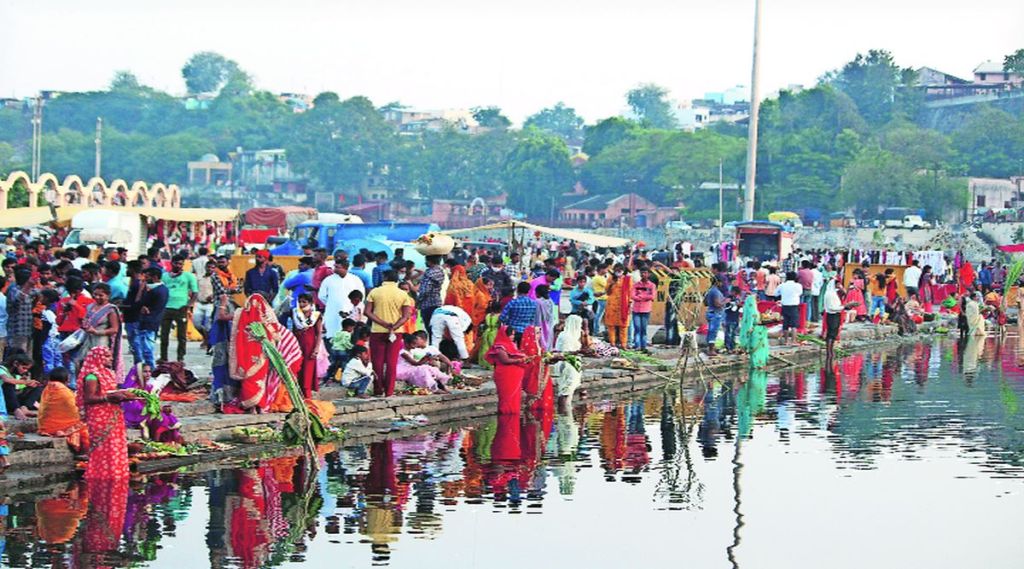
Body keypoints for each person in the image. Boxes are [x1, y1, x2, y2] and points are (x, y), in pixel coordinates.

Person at [77, 346, 137, 479]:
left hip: (113, 413)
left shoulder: (109, 373)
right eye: (107, 356)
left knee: (114, 445)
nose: (111, 359)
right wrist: (108, 398)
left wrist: (124, 396)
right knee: (104, 446)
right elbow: (89, 398)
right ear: (98, 358)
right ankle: (101, 475)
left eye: (110, 356)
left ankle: (114, 473)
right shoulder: (92, 376)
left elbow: (112, 392)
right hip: (99, 415)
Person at [365, 270, 415, 397]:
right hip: (396, 332)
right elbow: (406, 316)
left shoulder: (375, 292)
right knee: (392, 362)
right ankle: (389, 391)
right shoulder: (403, 295)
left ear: (384, 277)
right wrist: (394, 327)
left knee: (377, 362)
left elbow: (367, 312)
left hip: (377, 330)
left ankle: (378, 389)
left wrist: (383, 323)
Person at [121, 363, 182, 443]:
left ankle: (170, 441)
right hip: (134, 415)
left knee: (169, 416)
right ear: (138, 373)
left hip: (146, 412)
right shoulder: (131, 388)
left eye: (149, 372)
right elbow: (132, 406)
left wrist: (160, 408)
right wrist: (151, 410)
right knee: (162, 419)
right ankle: (157, 441)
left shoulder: (148, 387)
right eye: (145, 372)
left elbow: (153, 403)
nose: (148, 374)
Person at [37, 367, 89, 453]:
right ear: (65, 378)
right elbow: (74, 409)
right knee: (85, 426)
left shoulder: (48, 387)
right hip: (58, 427)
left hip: (44, 426)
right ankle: (86, 452)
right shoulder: (63, 390)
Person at [160, 255, 198, 362]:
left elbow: (195, 293)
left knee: (181, 336)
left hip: (181, 308)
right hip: (166, 307)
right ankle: (163, 357)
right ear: (171, 263)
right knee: (164, 335)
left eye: (181, 264)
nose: (178, 266)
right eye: (176, 263)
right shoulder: (164, 276)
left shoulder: (189, 276)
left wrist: (189, 305)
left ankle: (180, 358)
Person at [485, 325, 529, 414]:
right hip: (505, 374)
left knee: (514, 397)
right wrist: (520, 360)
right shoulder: (500, 346)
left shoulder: (512, 344)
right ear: (504, 335)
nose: (513, 337)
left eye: (513, 335)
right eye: (511, 335)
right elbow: (505, 360)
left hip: (514, 374)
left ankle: (512, 413)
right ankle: (505, 413)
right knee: (506, 396)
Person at [317, 258, 365, 340]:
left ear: (345, 268)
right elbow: (321, 296)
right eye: (335, 266)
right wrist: (332, 304)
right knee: (332, 335)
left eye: (338, 267)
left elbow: (361, 296)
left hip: (351, 312)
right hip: (333, 312)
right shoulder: (328, 280)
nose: (334, 269)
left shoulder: (355, 280)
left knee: (349, 336)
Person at [291, 293, 324, 398]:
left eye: (304, 302)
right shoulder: (295, 314)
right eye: (300, 301)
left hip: (310, 347)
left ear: (310, 303)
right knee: (297, 368)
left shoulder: (316, 316)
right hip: (297, 345)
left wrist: (316, 348)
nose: (301, 304)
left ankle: (307, 394)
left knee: (308, 370)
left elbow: (319, 333)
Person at [550, 314, 584, 411]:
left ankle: (567, 409)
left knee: (570, 389)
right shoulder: (566, 336)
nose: (580, 327)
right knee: (565, 389)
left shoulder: (572, 336)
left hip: (573, 364)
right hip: (567, 365)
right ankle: (563, 413)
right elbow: (564, 353)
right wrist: (579, 352)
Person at [0, 353, 42, 419]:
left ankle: (24, 408)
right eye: (24, 368)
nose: (25, 371)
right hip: (4, 401)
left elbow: (18, 389)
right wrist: (26, 382)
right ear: (15, 364)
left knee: (37, 388)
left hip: (14, 400)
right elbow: (6, 380)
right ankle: (16, 411)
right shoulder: (2, 369)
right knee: (8, 385)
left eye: (27, 369)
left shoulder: (15, 375)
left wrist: (30, 385)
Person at [603, 265, 632, 349]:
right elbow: (607, 292)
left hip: (623, 304)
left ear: (623, 270)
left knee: (623, 326)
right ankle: (612, 344)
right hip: (612, 304)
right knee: (611, 325)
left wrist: (630, 304)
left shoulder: (627, 279)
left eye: (620, 270)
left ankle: (623, 344)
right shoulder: (610, 278)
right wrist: (611, 284)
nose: (618, 271)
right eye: (617, 270)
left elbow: (630, 292)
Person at [630, 267, 656, 352]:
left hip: (646, 309)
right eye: (641, 273)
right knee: (637, 328)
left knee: (643, 329)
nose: (643, 274)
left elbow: (652, 296)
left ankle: (643, 346)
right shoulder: (636, 285)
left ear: (648, 274)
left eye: (645, 273)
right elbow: (632, 296)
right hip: (636, 310)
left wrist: (641, 296)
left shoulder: (652, 285)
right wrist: (645, 297)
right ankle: (637, 346)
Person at [778, 271, 803, 346]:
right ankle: (793, 341)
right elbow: (800, 293)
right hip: (794, 306)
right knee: (794, 325)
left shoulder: (782, 285)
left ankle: (786, 341)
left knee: (785, 324)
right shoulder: (798, 285)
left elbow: (776, 293)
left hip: (785, 305)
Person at [476, 301, 502, 370]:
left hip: (486, 332)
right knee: (494, 348)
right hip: (495, 333)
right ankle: (493, 364)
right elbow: (500, 326)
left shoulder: (488, 315)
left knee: (485, 348)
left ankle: (485, 363)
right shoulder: (500, 316)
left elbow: (484, 325)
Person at [704, 277, 726, 355]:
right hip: (715, 313)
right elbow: (717, 304)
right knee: (713, 332)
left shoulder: (709, 291)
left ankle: (710, 348)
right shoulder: (715, 291)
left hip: (710, 312)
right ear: (717, 282)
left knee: (711, 331)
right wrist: (725, 301)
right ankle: (711, 350)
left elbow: (705, 303)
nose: (722, 284)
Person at [534, 284, 557, 351]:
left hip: (540, 324)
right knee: (548, 340)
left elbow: (537, 315)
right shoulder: (550, 301)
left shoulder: (538, 302)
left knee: (541, 341)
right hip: (549, 323)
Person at [723, 286, 741, 353]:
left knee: (733, 333)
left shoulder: (737, 299)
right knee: (728, 333)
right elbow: (726, 306)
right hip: (729, 317)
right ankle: (728, 347)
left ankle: (732, 347)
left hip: (735, 317)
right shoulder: (728, 298)